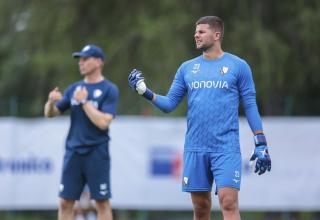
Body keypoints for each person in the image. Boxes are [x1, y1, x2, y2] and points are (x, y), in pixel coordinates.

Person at [128, 16, 271, 220]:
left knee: (228, 201)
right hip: (195, 146)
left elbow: (249, 105)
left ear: (217, 34)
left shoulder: (239, 66)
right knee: (201, 207)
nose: (196, 35)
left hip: (225, 146)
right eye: (196, 32)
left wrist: (260, 140)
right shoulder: (187, 68)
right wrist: (145, 91)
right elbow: (169, 104)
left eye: (202, 31)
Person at [44, 44, 119, 220]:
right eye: (80, 60)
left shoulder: (109, 89)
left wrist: (85, 102)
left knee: (102, 203)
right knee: (64, 202)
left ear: (99, 62)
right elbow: (51, 114)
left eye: (85, 59)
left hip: (97, 153)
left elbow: (103, 123)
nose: (81, 63)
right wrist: (50, 102)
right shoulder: (73, 89)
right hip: (74, 152)